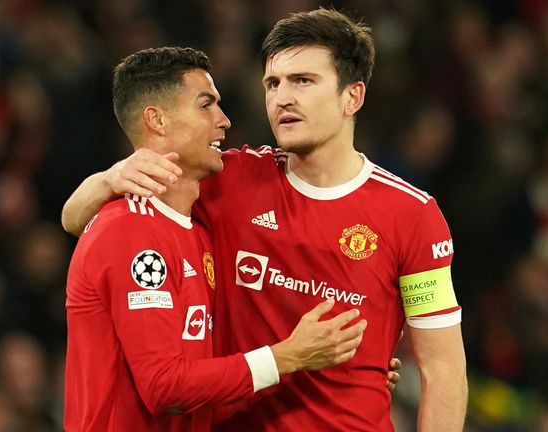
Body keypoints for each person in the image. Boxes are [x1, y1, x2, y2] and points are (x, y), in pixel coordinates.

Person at [63, 9, 467, 431]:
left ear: (353, 96)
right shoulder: (227, 179)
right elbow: (85, 223)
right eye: (272, 84)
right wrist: (104, 180)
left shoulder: (414, 215)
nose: (282, 98)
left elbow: (442, 371)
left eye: (303, 81)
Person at [63, 46, 370, 432]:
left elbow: (207, 371)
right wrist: (288, 356)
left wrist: (342, 364)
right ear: (156, 120)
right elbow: (162, 387)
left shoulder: (200, 231)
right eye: (205, 105)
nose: (224, 121)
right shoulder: (127, 230)